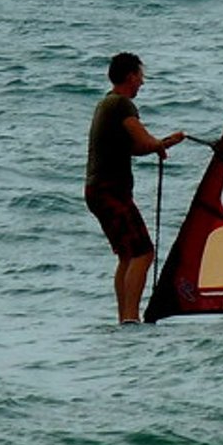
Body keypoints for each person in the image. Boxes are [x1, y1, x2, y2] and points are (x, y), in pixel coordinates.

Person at [84, 52, 186, 323]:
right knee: (143, 253)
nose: (142, 82)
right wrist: (161, 143)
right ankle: (131, 319)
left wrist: (164, 143)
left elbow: (136, 147)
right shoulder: (122, 105)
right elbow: (144, 139)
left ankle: (124, 318)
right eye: (140, 76)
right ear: (130, 76)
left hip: (97, 191)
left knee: (127, 256)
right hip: (110, 191)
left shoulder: (106, 103)